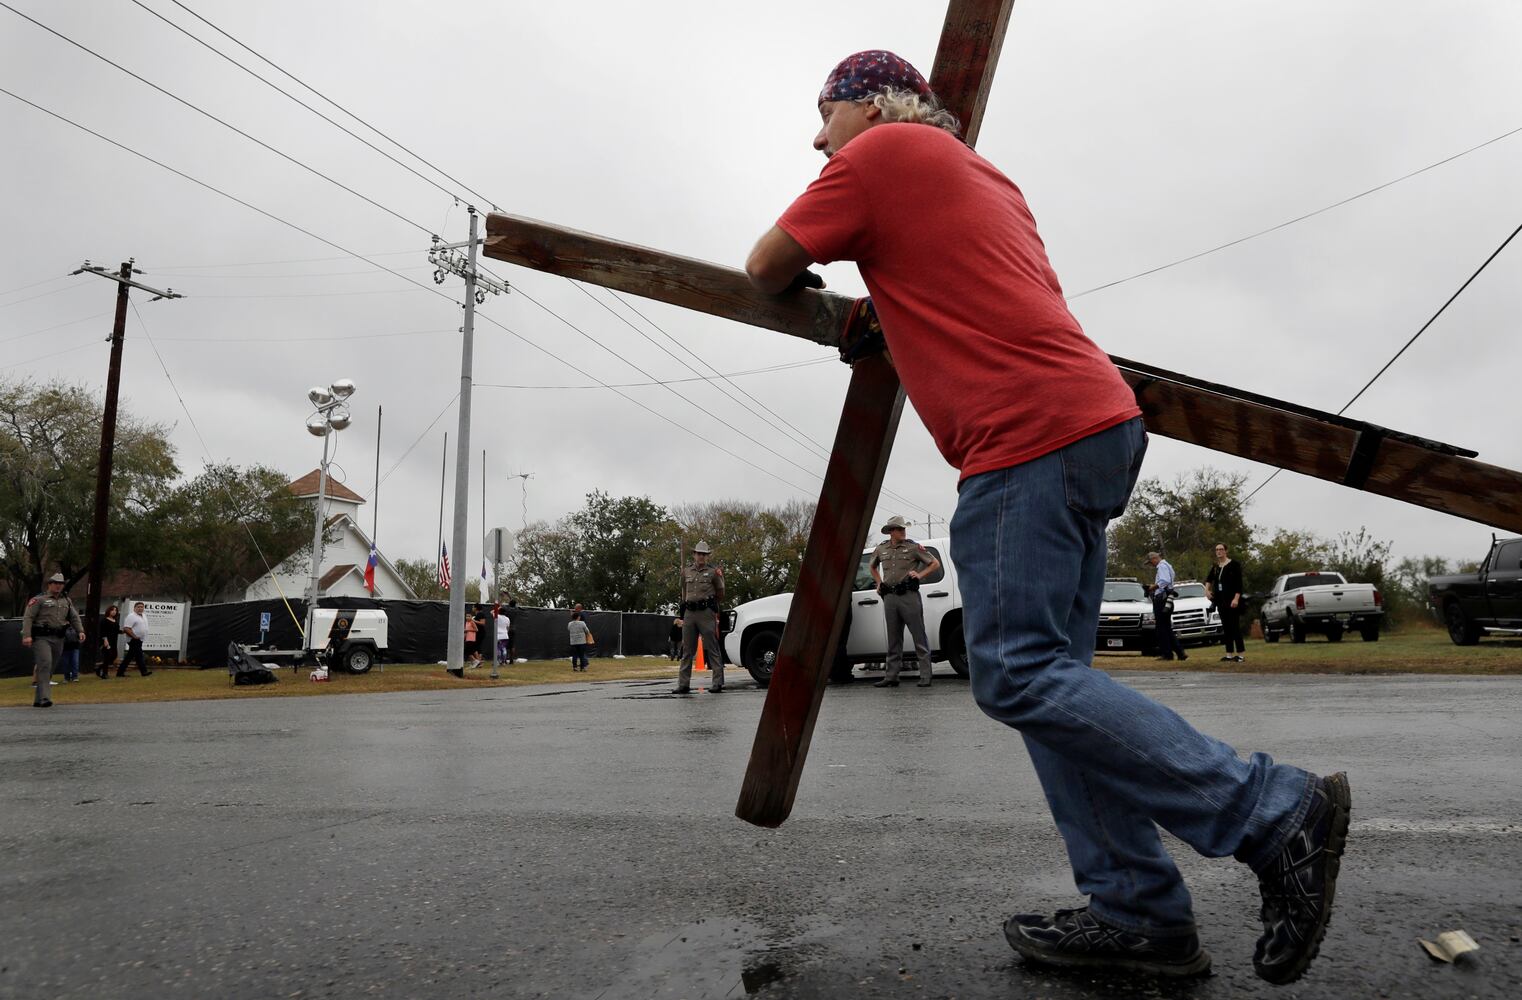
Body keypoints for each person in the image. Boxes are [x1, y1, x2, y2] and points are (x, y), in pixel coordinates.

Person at [745, 50, 1349, 984]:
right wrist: (888, 312)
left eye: (824, 115)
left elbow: (765, 266)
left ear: (868, 106)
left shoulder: (873, 158)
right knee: (1057, 690)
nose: (815, 138)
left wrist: (845, 290)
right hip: (1090, 425)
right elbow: (965, 289)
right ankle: (1138, 912)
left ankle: (1271, 812)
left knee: (1016, 674)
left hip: (1023, 441)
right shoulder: (983, 176)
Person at [870, 515, 941, 688]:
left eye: (904, 529)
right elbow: (872, 566)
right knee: (893, 638)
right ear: (891, 531)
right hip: (890, 598)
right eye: (900, 529)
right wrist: (879, 583)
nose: (903, 531)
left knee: (918, 635)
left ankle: (925, 676)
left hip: (909, 595)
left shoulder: (913, 547)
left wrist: (920, 575)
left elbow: (934, 563)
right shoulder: (881, 549)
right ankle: (892, 676)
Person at [21, 573, 83, 707]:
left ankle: (38, 699)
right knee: (45, 664)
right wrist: (26, 635)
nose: (58, 586)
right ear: (49, 584)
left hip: (59, 638)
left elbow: (74, 617)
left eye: (61, 584)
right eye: (55, 583)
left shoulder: (66, 600)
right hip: (41, 638)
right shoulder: (39, 599)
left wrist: (80, 630)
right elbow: (28, 617)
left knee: (50, 668)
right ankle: (45, 698)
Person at [675, 541, 725, 695]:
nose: (701, 556)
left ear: (707, 556)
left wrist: (711, 605)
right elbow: (683, 590)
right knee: (687, 649)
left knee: (712, 647)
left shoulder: (713, 572)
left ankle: (717, 682)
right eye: (698, 553)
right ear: (694, 554)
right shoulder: (686, 571)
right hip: (690, 613)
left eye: (704, 554)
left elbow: (721, 591)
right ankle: (683, 684)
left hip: (706, 613)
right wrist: (683, 610)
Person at [1206, 543, 1246, 662]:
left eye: (1221, 549)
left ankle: (1241, 655)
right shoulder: (1216, 567)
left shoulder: (1234, 565)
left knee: (1235, 627)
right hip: (1220, 601)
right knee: (1226, 628)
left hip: (1232, 600)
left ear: (1226, 551)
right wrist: (1206, 590)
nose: (1219, 552)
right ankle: (1229, 654)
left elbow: (1239, 584)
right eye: (1217, 550)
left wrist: (1236, 598)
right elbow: (1209, 579)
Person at [1147, 552, 1188, 662]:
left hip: (1162, 598)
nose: (1152, 565)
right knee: (1166, 627)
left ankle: (1167, 654)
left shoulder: (1161, 566)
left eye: (1151, 562)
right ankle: (1180, 652)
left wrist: (1153, 587)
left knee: (1161, 628)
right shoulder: (1168, 566)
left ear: (1155, 558)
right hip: (1167, 599)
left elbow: (1165, 581)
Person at [119, 601, 152, 677]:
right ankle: (144, 672)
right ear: (134, 608)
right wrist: (134, 636)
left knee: (130, 656)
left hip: (140, 639)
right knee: (139, 655)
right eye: (138, 607)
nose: (140, 608)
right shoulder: (131, 616)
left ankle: (120, 672)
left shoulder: (143, 615)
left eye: (142, 607)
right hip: (133, 640)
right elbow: (126, 628)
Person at [97, 604, 121, 679]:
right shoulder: (104, 620)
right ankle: (105, 674)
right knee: (107, 657)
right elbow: (102, 631)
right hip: (106, 640)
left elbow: (116, 631)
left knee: (113, 656)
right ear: (109, 611)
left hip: (114, 641)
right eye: (112, 610)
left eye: (115, 610)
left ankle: (99, 668)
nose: (114, 612)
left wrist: (124, 631)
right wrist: (105, 640)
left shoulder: (115, 621)